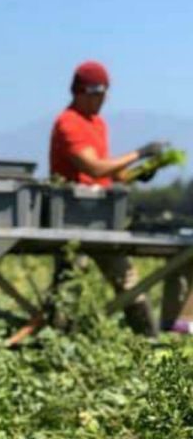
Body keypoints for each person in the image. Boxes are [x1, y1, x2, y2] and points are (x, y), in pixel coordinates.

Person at [49, 60, 166, 336]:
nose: (103, 100)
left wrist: (140, 173)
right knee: (69, 283)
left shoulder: (98, 124)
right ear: (84, 91)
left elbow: (108, 175)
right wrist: (139, 153)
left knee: (127, 280)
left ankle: (149, 341)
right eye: (100, 94)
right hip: (72, 218)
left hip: (101, 218)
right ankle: (57, 341)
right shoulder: (68, 123)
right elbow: (93, 167)